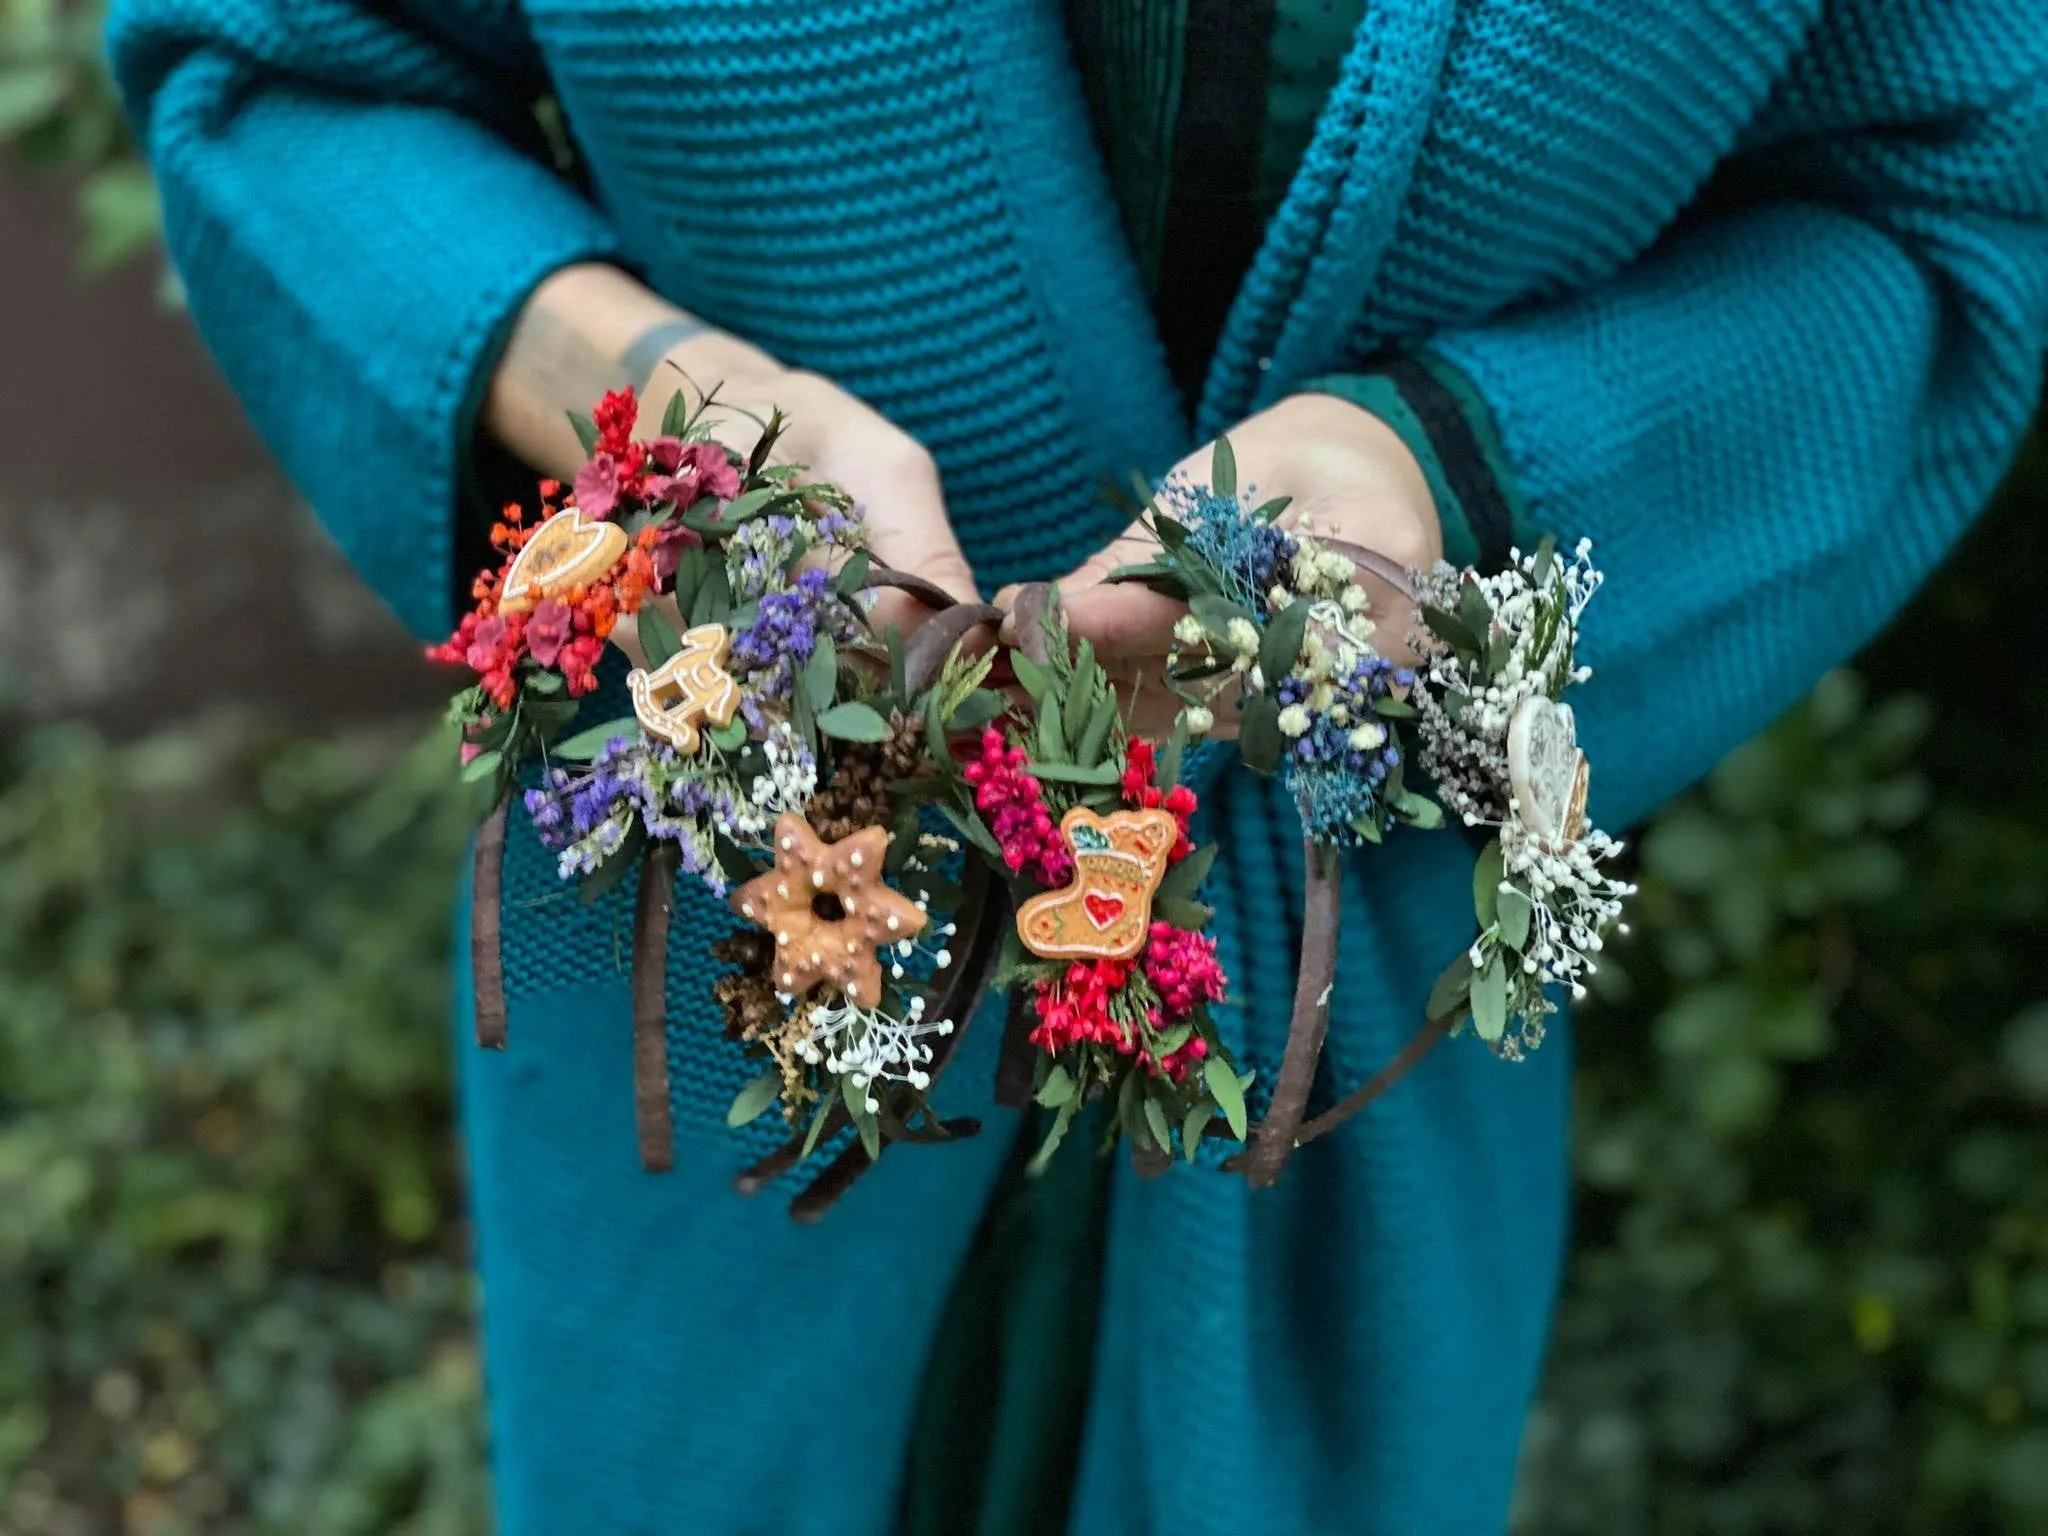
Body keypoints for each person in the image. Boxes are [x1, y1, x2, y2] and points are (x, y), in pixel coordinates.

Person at [108, 0, 2047, 1530]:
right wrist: (650, 411)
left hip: (1330, 1090)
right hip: (721, 1032)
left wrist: (1453, 473)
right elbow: (276, 76)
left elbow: (1948, 208)